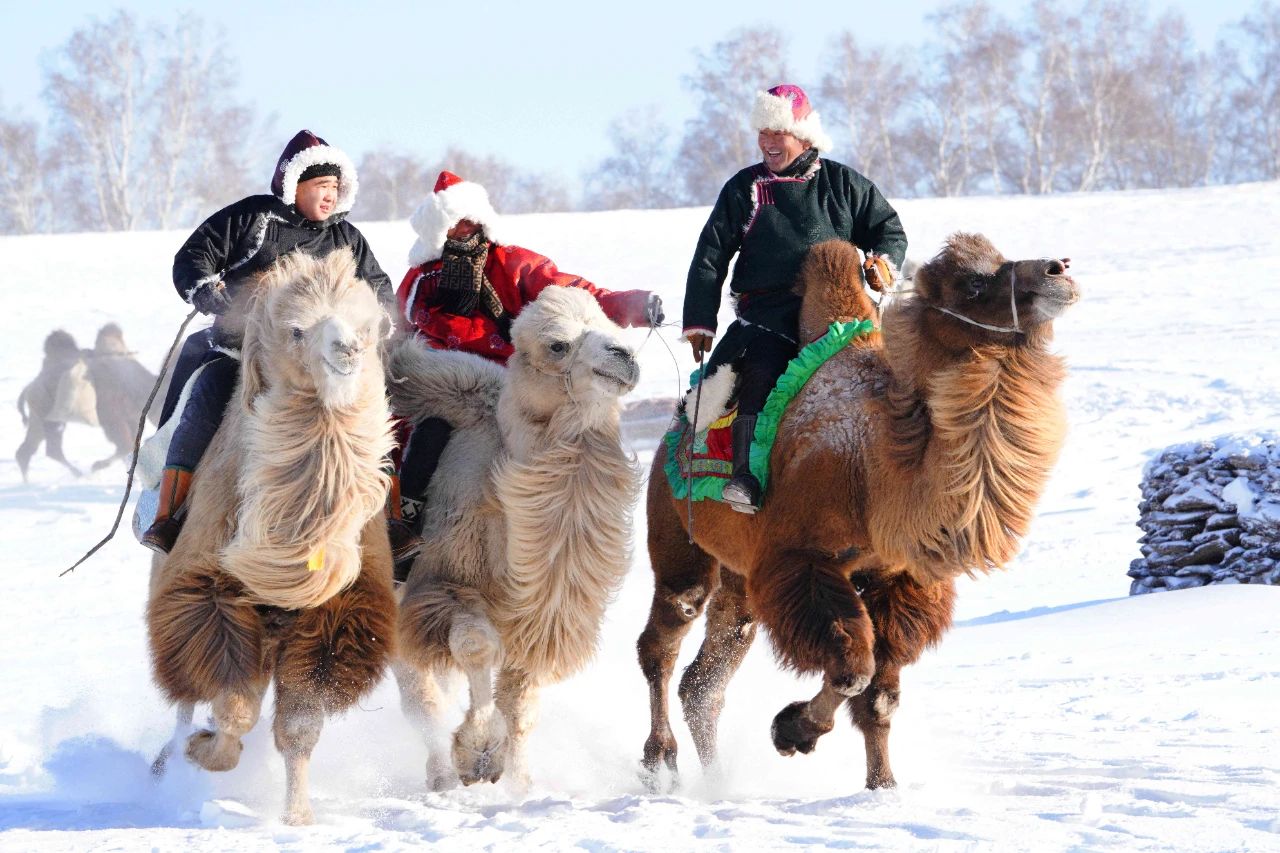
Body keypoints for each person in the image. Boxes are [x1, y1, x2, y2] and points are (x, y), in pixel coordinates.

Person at [141, 130, 416, 559]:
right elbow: (195, 254)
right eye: (320, 187)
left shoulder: (347, 238)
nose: (329, 196)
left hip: (325, 365)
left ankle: (390, 520)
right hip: (245, 353)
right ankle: (169, 511)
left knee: (378, 414)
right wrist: (207, 288)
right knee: (208, 396)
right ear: (295, 184)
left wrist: (380, 317)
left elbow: (378, 288)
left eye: (334, 188)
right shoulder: (253, 218)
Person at [394, 170, 663, 548]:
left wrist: (626, 305)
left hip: (507, 380)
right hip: (445, 383)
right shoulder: (422, 281)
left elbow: (567, 292)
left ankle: (577, 530)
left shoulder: (512, 264)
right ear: (438, 231)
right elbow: (404, 332)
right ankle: (406, 521)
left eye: (469, 222)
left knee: (565, 433)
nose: (463, 230)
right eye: (453, 225)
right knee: (426, 434)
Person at [681, 83, 907, 513]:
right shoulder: (743, 188)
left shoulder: (843, 184)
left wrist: (883, 261)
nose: (767, 140)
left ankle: (900, 476)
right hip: (768, 315)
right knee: (761, 374)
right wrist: (699, 321)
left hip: (840, 315)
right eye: (761, 130)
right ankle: (745, 477)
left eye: (776, 130)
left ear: (802, 134)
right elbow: (710, 255)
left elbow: (888, 230)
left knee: (888, 378)